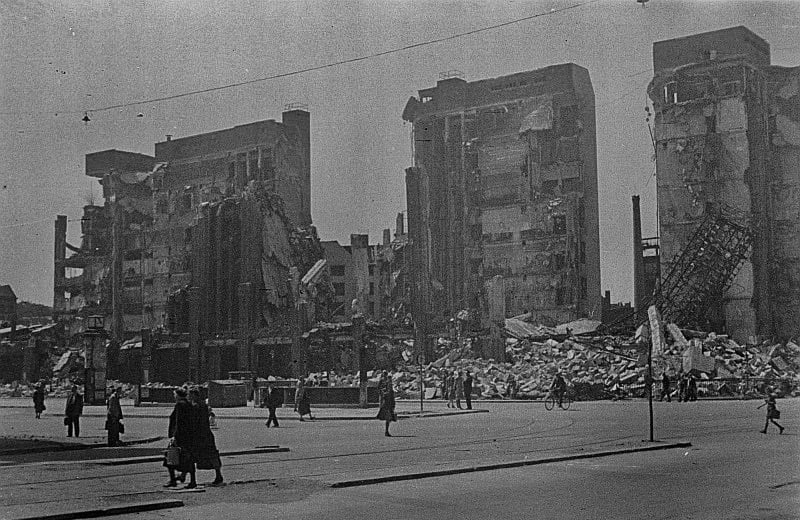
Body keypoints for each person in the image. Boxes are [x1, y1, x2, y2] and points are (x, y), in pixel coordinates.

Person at [189, 387, 224, 486]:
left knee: (192, 455)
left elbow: (194, 421)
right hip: (207, 434)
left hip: (199, 435)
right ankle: (218, 475)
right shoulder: (204, 405)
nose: (189, 397)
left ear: (194, 395)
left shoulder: (195, 406)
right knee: (212, 455)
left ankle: (192, 480)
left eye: (190, 395)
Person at [164, 387, 196, 489]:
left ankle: (173, 480)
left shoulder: (179, 405)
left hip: (180, 436)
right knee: (188, 459)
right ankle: (192, 481)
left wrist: (174, 436)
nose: (174, 396)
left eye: (175, 395)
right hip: (189, 436)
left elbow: (178, 422)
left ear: (178, 395)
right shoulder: (189, 404)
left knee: (170, 457)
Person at [376, 371, 397, 437]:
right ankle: (386, 431)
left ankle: (387, 431)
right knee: (388, 418)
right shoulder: (384, 382)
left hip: (388, 404)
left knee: (388, 418)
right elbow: (379, 389)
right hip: (387, 404)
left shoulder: (388, 386)